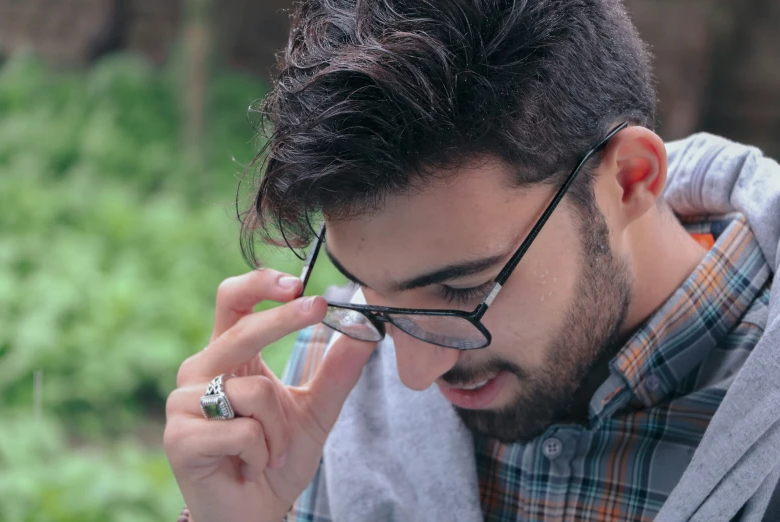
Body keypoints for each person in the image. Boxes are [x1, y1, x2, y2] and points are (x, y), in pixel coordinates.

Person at [163, 1, 780, 520]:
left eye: (461, 289)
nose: (413, 373)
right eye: (368, 294)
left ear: (628, 180)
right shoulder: (330, 379)